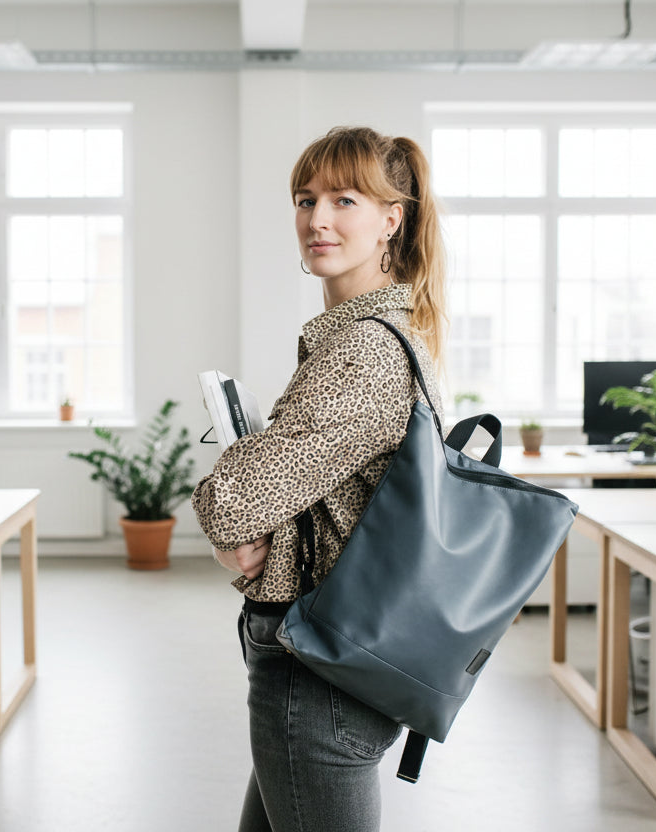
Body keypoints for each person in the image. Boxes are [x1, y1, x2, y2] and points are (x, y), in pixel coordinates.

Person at [193, 126, 448, 832]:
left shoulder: (362, 353)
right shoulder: (377, 334)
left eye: (345, 199)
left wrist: (228, 527)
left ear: (391, 219)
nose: (317, 219)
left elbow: (230, 503)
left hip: (317, 674)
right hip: (330, 660)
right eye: (305, 199)